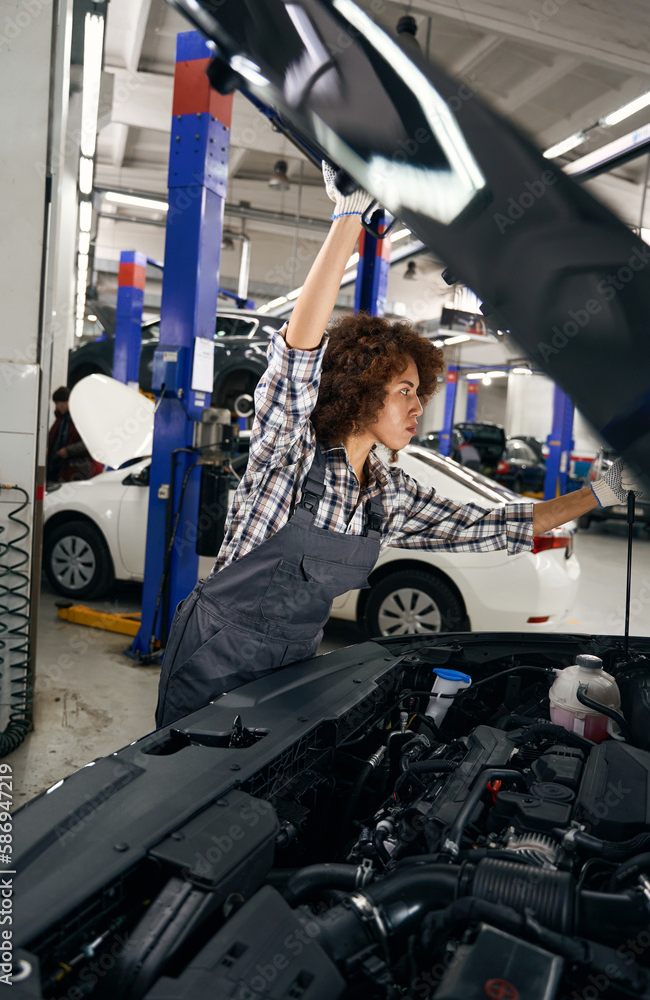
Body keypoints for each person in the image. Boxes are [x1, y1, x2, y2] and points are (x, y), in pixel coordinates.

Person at [155, 165, 644, 728]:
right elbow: (295, 359)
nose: (418, 407)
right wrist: (347, 219)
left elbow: (494, 524)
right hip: (214, 656)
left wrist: (601, 492)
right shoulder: (290, 452)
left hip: (293, 664)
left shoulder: (386, 494)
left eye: (420, 392)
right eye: (404, 391)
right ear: (359, 390)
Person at [47, 386, 103, 484]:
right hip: (64, 469)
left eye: (57, 403)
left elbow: (91, 441)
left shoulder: (82, 418)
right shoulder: (61, 418)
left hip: (80, 469)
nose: (56, 407)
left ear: (66, 402)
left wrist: (69, 450)